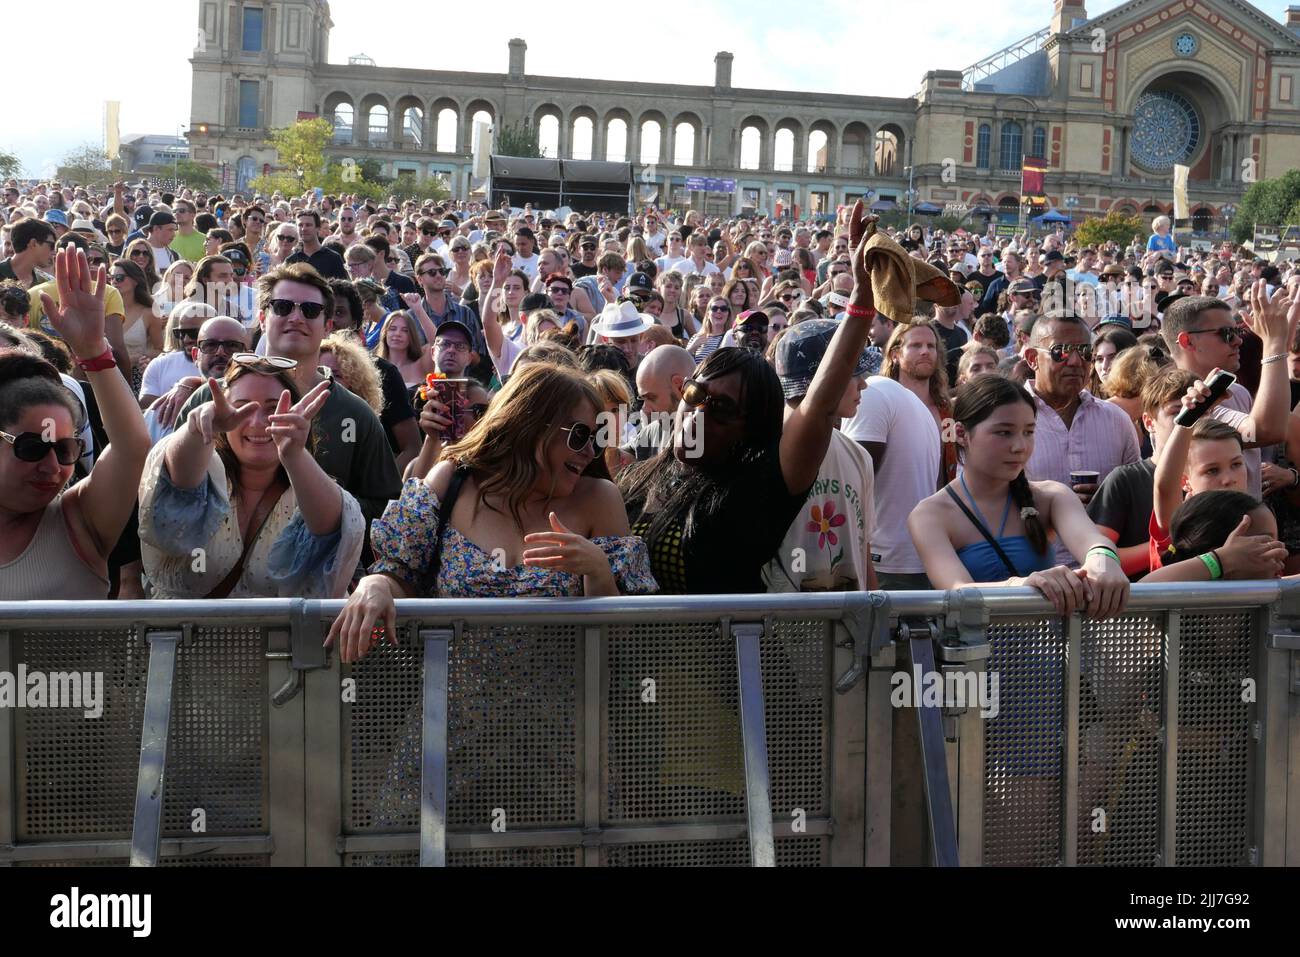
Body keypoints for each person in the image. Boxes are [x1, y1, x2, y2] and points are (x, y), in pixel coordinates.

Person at [617, 200, 887, 595]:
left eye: (723, 409)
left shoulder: (752, 495)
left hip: (715, 654)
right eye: (696, 395)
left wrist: (861, 300)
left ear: (751, 430)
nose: (697, 416)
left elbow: (815, 408)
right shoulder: (644, 467)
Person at [327, 363, 658, 662]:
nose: (589, 451)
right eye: (579, 435)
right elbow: (401, 576)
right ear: (530, 426)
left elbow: (622, 641)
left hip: (567, 721)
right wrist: (377, 584)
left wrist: (598, 572)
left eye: (597, 439)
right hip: (447, 714)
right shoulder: (451, 480)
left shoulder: (599, 498)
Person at [175, 262, 402, 533]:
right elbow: (170, 490)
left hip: (317, 571)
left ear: (327, 326)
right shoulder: (211, 399)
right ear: (262, 318)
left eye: (310, 310)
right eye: (282, 307)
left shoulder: (354, 413)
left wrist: (318, 508)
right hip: (211, 568)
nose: (296, 318)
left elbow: (386, 509)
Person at [138, 358, 364, 598]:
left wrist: (295, 455)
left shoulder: (309, 486)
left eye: (272, 408)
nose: (257, 423)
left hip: (280, 636)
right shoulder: (204, 467)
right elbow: (178, 480)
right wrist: (194, 431)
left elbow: (331, 532)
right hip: (182, 634)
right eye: (242, 407)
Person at [909, 375, 1130, 617]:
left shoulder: (1052, 496)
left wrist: (1103, 559)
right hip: (973, 652)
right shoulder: (930, 515)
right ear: (961, 433)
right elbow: (957, 589)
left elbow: (1092, 541)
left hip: (1047, 652)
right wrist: (1023, 585)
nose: (1020, 446)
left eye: (1028, 432)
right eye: (1004, 433)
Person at [0, 248, 151, 599]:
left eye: (66, 449)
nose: (52, 466)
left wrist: (93, 349)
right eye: (32, 448)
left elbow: (132, 447)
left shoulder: (80, 521)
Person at [766, 318, 880, 592]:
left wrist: (876, 618)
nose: (863, 384)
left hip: (851, 627)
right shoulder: (765, 448)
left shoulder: (858, 455)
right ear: (825, 381)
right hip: (784, 628)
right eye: (854, 373)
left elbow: (862, 551)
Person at [1022, 312, 1140, 566]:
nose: (1076, 361)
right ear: (1033, 359)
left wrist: (1109, 501)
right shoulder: (1005, 421)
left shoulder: (1116, 420)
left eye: (1085, 352)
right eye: (1061, 351)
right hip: (1032, 579)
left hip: (1105, 577)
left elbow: (1137, 499)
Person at [1162, 287, 1293, 497]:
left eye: (1237, 332)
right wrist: (1274, 343)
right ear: (1188, 341)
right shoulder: (1175, 401)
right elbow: (1267, 430)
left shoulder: (1237, 392)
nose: (1238, 341)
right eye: (1226, 334)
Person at [286, 210, 347, 280]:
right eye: (300, 225)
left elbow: (343, 288)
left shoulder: (333, 258)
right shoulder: (291, 260)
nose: (303, 229)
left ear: (317, 228)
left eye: (308, 225)